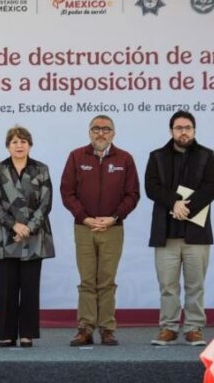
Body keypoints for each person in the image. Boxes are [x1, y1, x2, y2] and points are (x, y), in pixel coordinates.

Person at [60, 115, 139, 346]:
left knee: (107, 280)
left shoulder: (125, 159)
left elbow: (132, 194)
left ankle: (107, 328)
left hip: (112, 229)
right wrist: (84, 218)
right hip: (84, 228)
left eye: (106, 129)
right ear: (89, 132)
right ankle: (85, 328)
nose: (101, 133)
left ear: (113, 133)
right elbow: (67, 192)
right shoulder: (76, 156)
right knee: (87, 280)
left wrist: (113, 218)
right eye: (96, 129)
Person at [145, 111, 214, 346]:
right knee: (168, 285)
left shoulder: (207, 156)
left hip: (196, 233)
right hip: (165, 232)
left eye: (188, 127)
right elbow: (151, 187)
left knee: (195, 284)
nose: (183, 132)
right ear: (171, 131)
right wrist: (173, 202)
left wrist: (186, 207)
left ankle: (194, 328)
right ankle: (168, 328)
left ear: (194, 130)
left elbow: (211, 187)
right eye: (179, 128)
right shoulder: (156, 156)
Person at [0, 126, 55, 348]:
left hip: (34, 238)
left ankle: (27, 334)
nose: (19, 145)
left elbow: (46, 203)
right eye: (14, 142)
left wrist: (28, 227)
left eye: (23, 141)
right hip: (5, 237)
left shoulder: (41, 169)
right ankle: (6, 334)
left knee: (30, 287)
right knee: (7, 288)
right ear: (8, 145)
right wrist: (13, 225)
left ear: (30, 145)